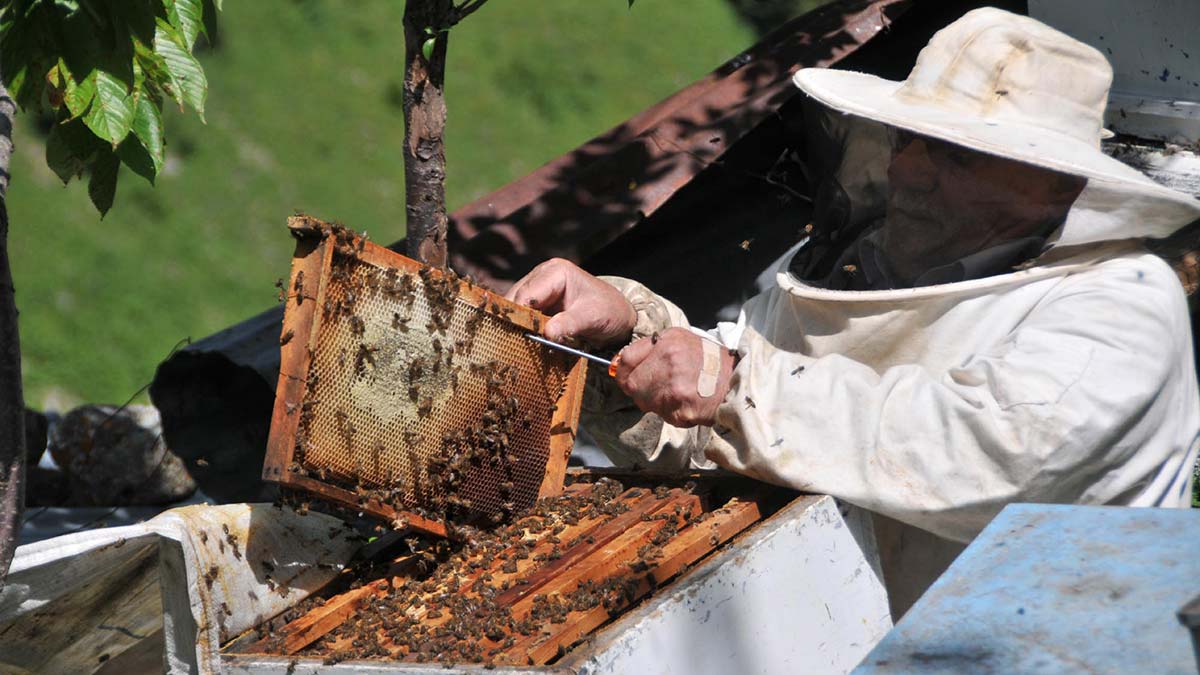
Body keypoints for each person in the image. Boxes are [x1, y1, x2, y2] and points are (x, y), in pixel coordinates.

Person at [506, 8, 1200, 613]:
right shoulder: (849, 268)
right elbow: (727, 424)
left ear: (1054, 186)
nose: (909, 171)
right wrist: (632, 332)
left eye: (956, 156)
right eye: (907, 139)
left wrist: (734, 386)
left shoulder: (1123, 306)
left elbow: (986, 447)